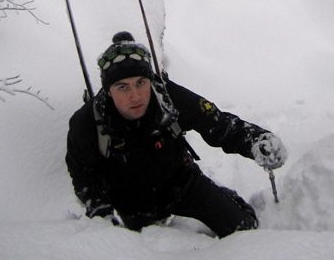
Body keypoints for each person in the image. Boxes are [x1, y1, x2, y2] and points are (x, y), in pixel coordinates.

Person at [66, 31, 288, 238]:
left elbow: (219, 124)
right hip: (131, 205)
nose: (135, 96)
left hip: (183, 185)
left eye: (141, 83)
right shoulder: (87, 122)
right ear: (108, 90)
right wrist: (100, 211)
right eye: (123, 87)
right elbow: (82, 172)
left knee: (245, 230)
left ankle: (225, 196)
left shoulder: (169, 98)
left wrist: (256, 139)